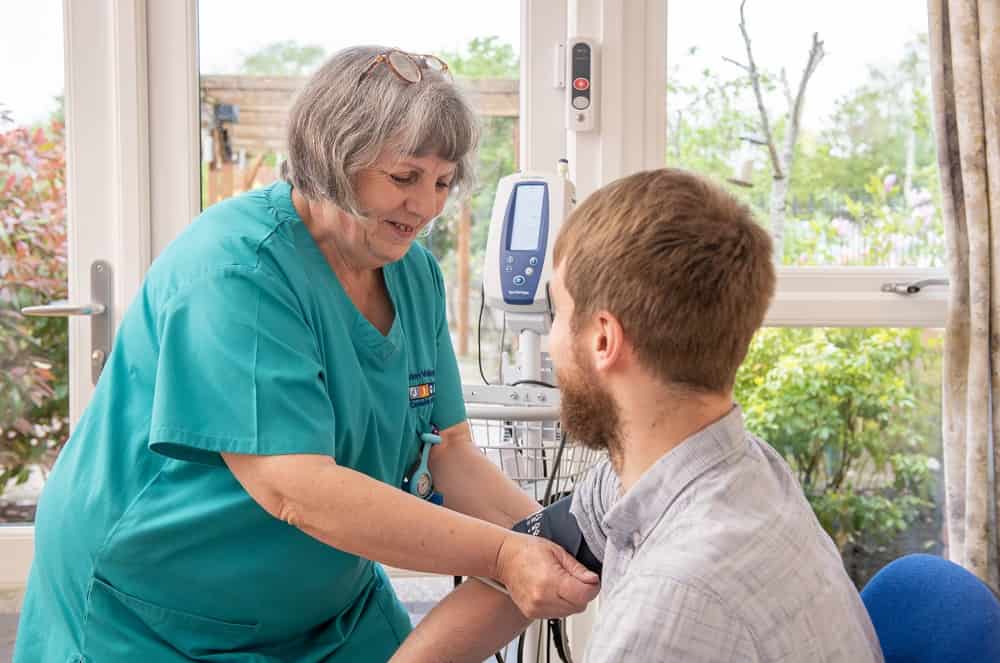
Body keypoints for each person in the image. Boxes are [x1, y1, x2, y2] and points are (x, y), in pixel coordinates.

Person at [14, 46, 598, 663]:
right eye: (404, 177)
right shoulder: (237, 271)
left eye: (443, 182)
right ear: (334, 158)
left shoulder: (412, 273)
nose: (426, 207)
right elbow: (296, 488)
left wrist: (552, 537)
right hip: (154, 608)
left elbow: (450, 451)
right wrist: (504, 555)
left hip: (326, 603)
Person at [391, 168, 884, 662]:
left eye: (558, 313)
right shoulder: (727, 469)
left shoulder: (672, 608)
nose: (554, 340)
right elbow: (534, 556)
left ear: (604, 340)